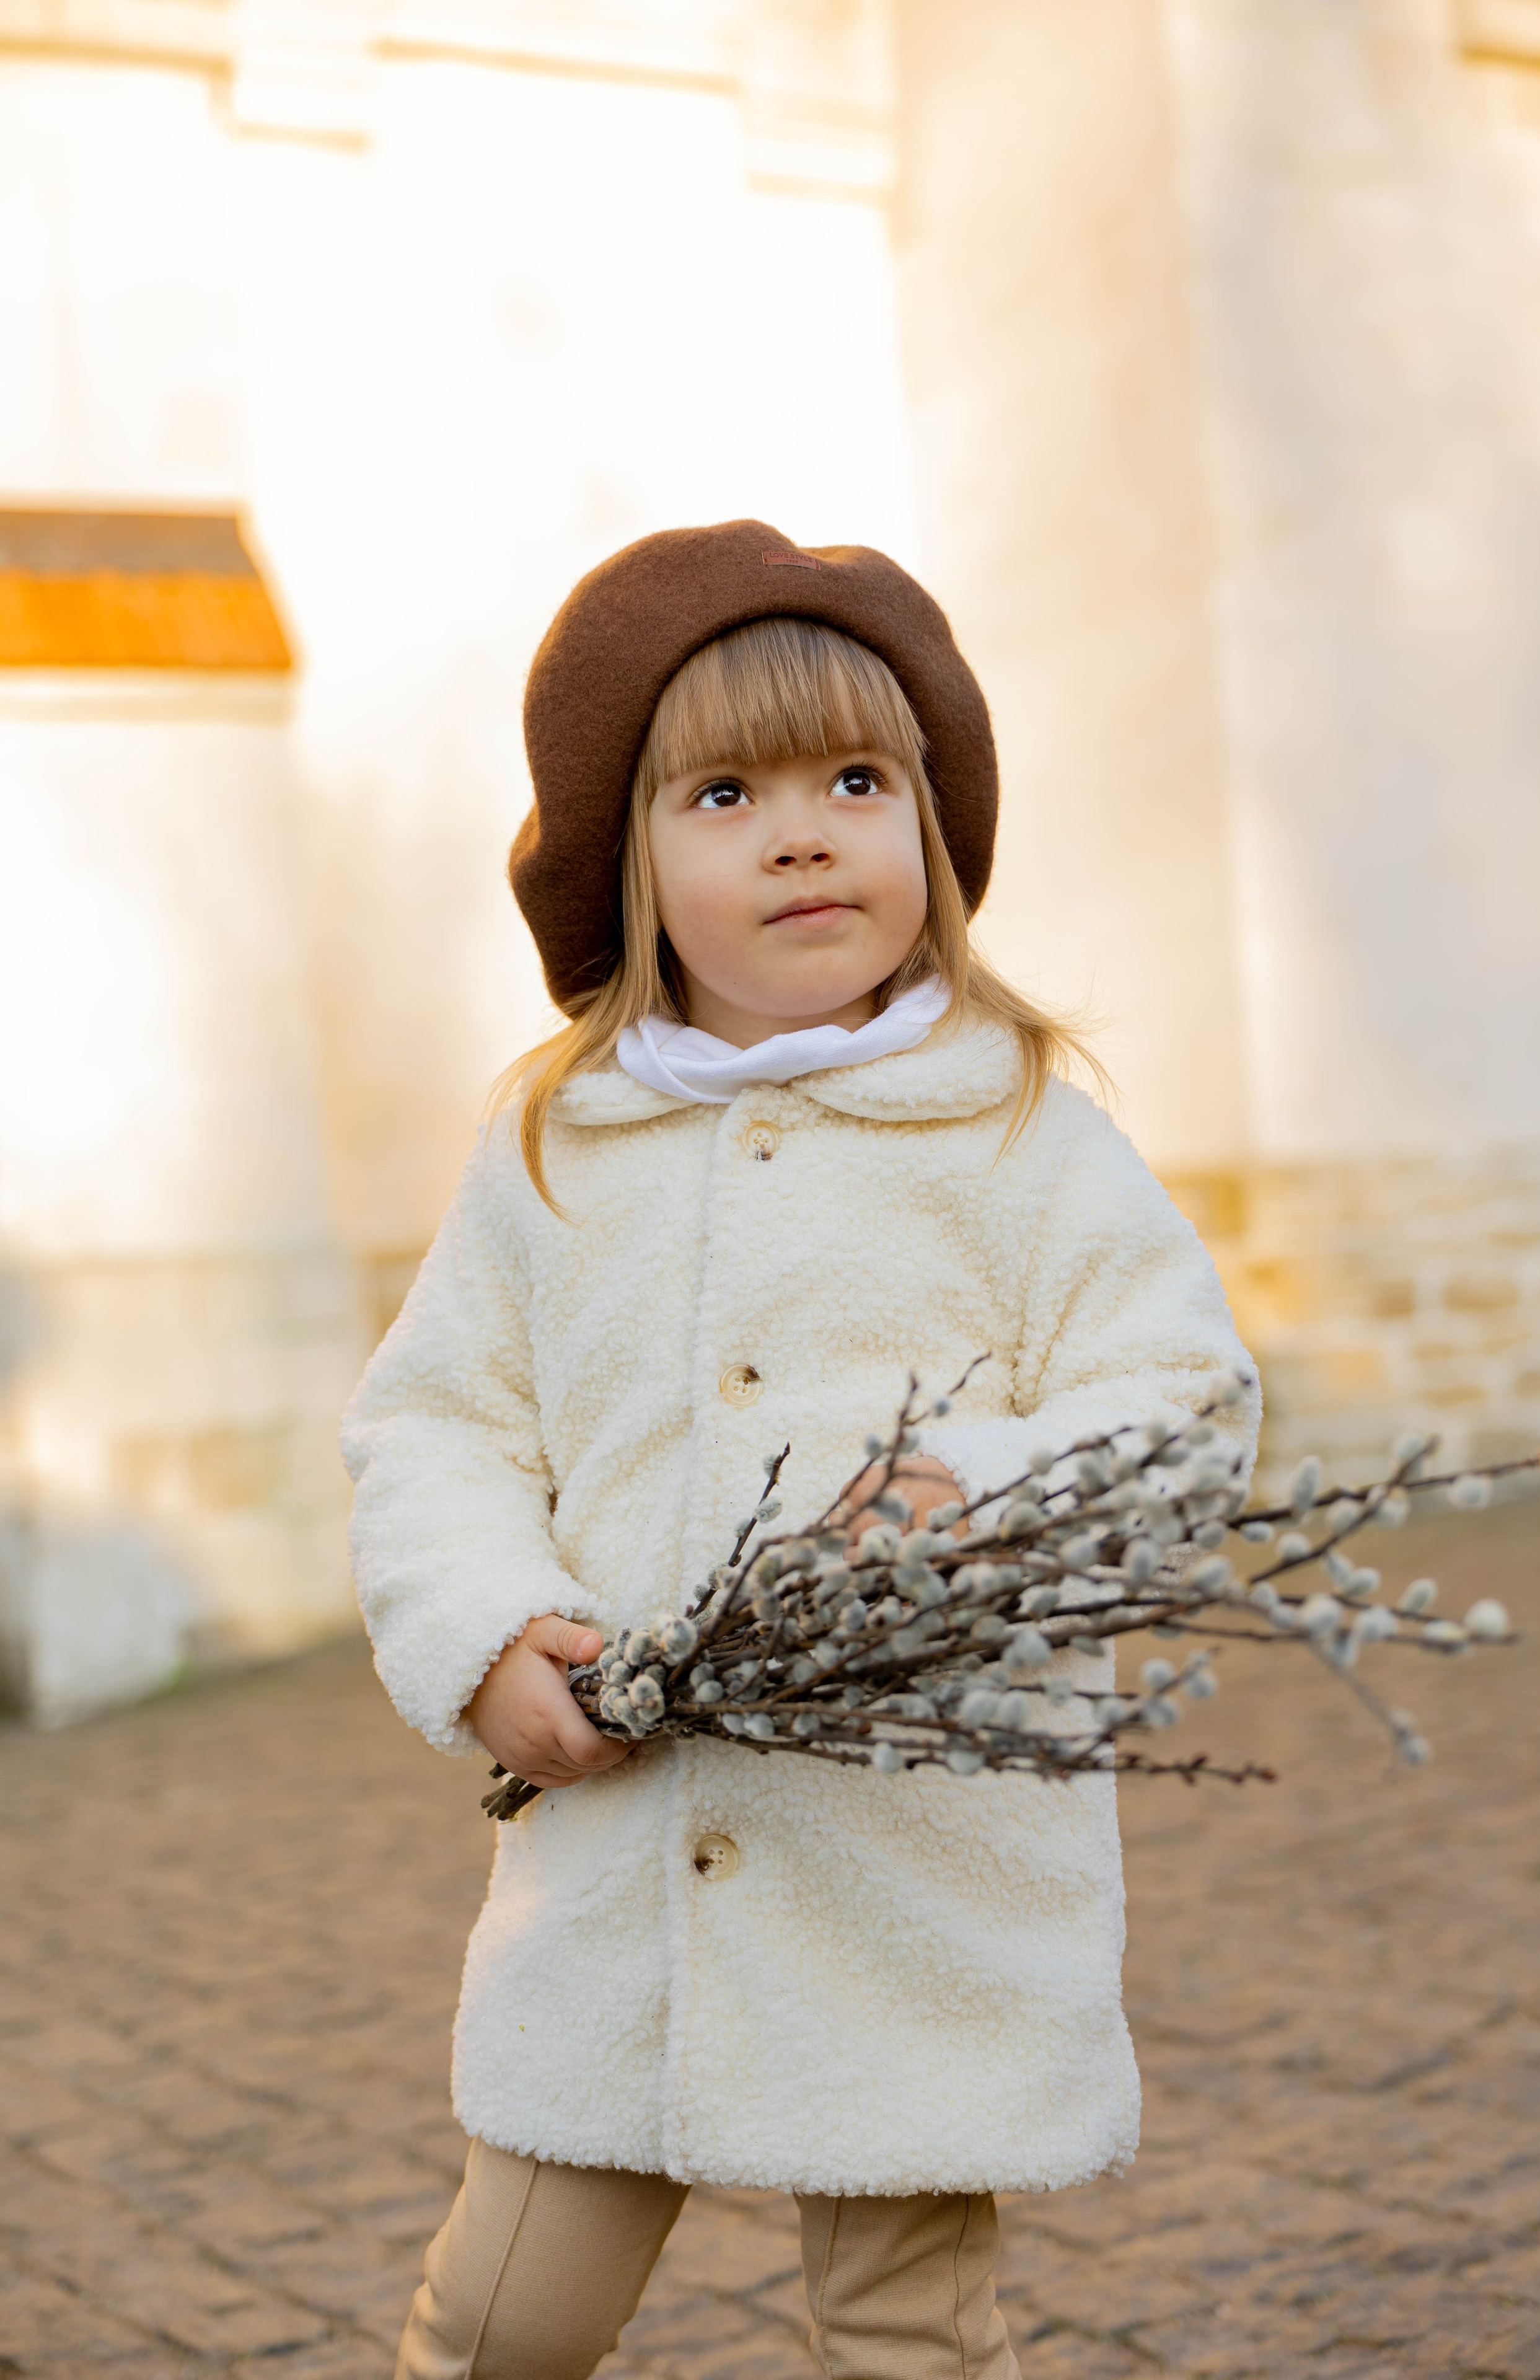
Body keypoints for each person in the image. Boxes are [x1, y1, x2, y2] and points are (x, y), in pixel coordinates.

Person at [341, 520, 1259, 2379]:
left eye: (857, 779)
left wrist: (975, 1504)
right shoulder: (552, 1155)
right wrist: (494, 1635)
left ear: (929, 828)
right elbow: (438, 1423)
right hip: (626, 1861)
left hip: (920, 1862)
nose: (801, 831)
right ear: (630, 861)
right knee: (501, 2317)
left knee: (911, 2326)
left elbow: (1183, 1408)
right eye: (726, 792)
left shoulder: (1018, 1138)